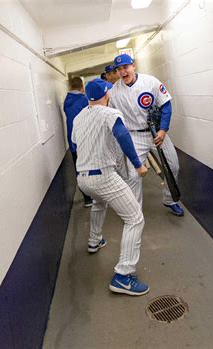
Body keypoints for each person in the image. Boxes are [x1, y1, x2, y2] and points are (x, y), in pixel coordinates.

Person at [72, 78, 150, 296]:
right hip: (103, 176)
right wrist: (138, 165)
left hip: (83, 178)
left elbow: (75, 144)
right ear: (106, 94)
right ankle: (123, 276)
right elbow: (123, 135)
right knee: (135, 218)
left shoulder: (79, 117)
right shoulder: (109, 113)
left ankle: (94, 240)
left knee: (99, 203)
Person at [109, 54, 184, 217]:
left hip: (157, 133)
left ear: (133, 66)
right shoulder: (114, 92)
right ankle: (135, 213)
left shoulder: (151, 82)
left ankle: (169, 199)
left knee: (173, 166)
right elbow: (114, 119)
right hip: (134, 136)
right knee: (134, 175)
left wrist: (163, 130)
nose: (122, 72)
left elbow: (166, 105)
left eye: (125, 67)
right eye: (119, 69)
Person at [63, 77, 93, 207]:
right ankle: (97, 195)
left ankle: (87, 198)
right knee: (92, 167)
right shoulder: (84, 100)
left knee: (80, 170)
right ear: (82, 87)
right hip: (87, 140)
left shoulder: (66, 101)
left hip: (73, 142)